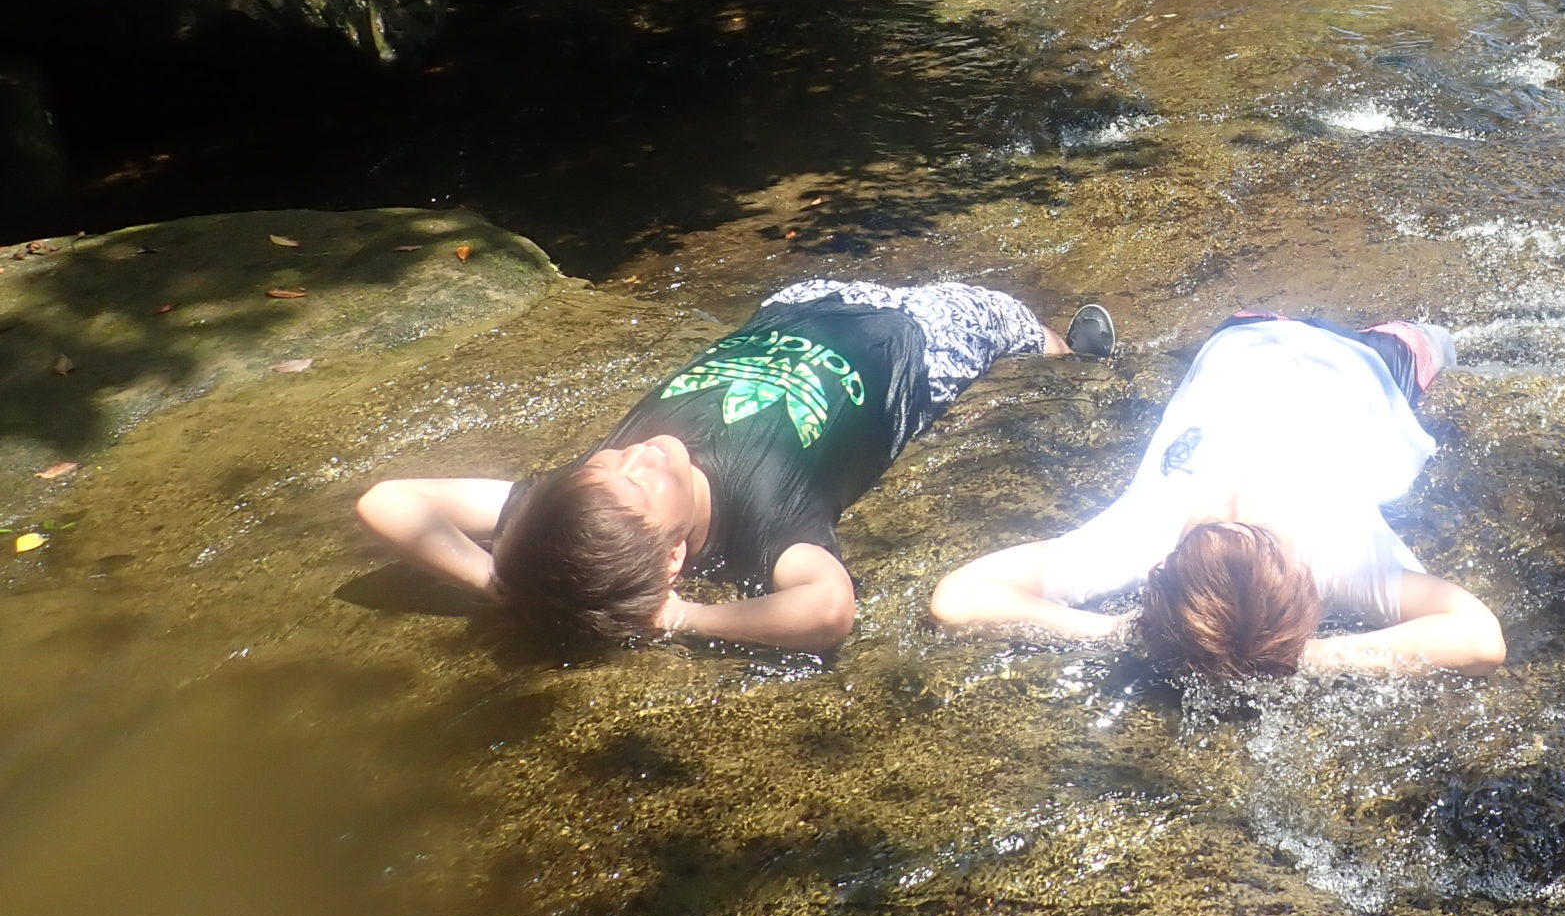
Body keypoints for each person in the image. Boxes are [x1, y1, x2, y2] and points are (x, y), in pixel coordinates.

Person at [356, 280, 1117, 651]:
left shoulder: (583, 507)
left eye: (611, 460)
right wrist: (685, 617)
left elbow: (388, 500)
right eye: (640, 481)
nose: (634, 455)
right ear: (675, 555)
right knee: (1006, 317)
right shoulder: (763, 517)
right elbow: (828, 607)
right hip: (914, 344)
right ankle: (1065, 352)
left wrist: (505, 583)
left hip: (791, 308)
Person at [930, 313, 1506, 677]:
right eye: (1243, 520)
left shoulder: (1144, 537)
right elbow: (1478, 637)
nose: (1233, 498)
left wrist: (1122, 633)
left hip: (1251, 336)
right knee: (1433, 337)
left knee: (1426, 342)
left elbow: (960, 599)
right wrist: (1311, 659)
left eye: (1217, 520)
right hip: (1325, 356)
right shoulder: (1337, 555)